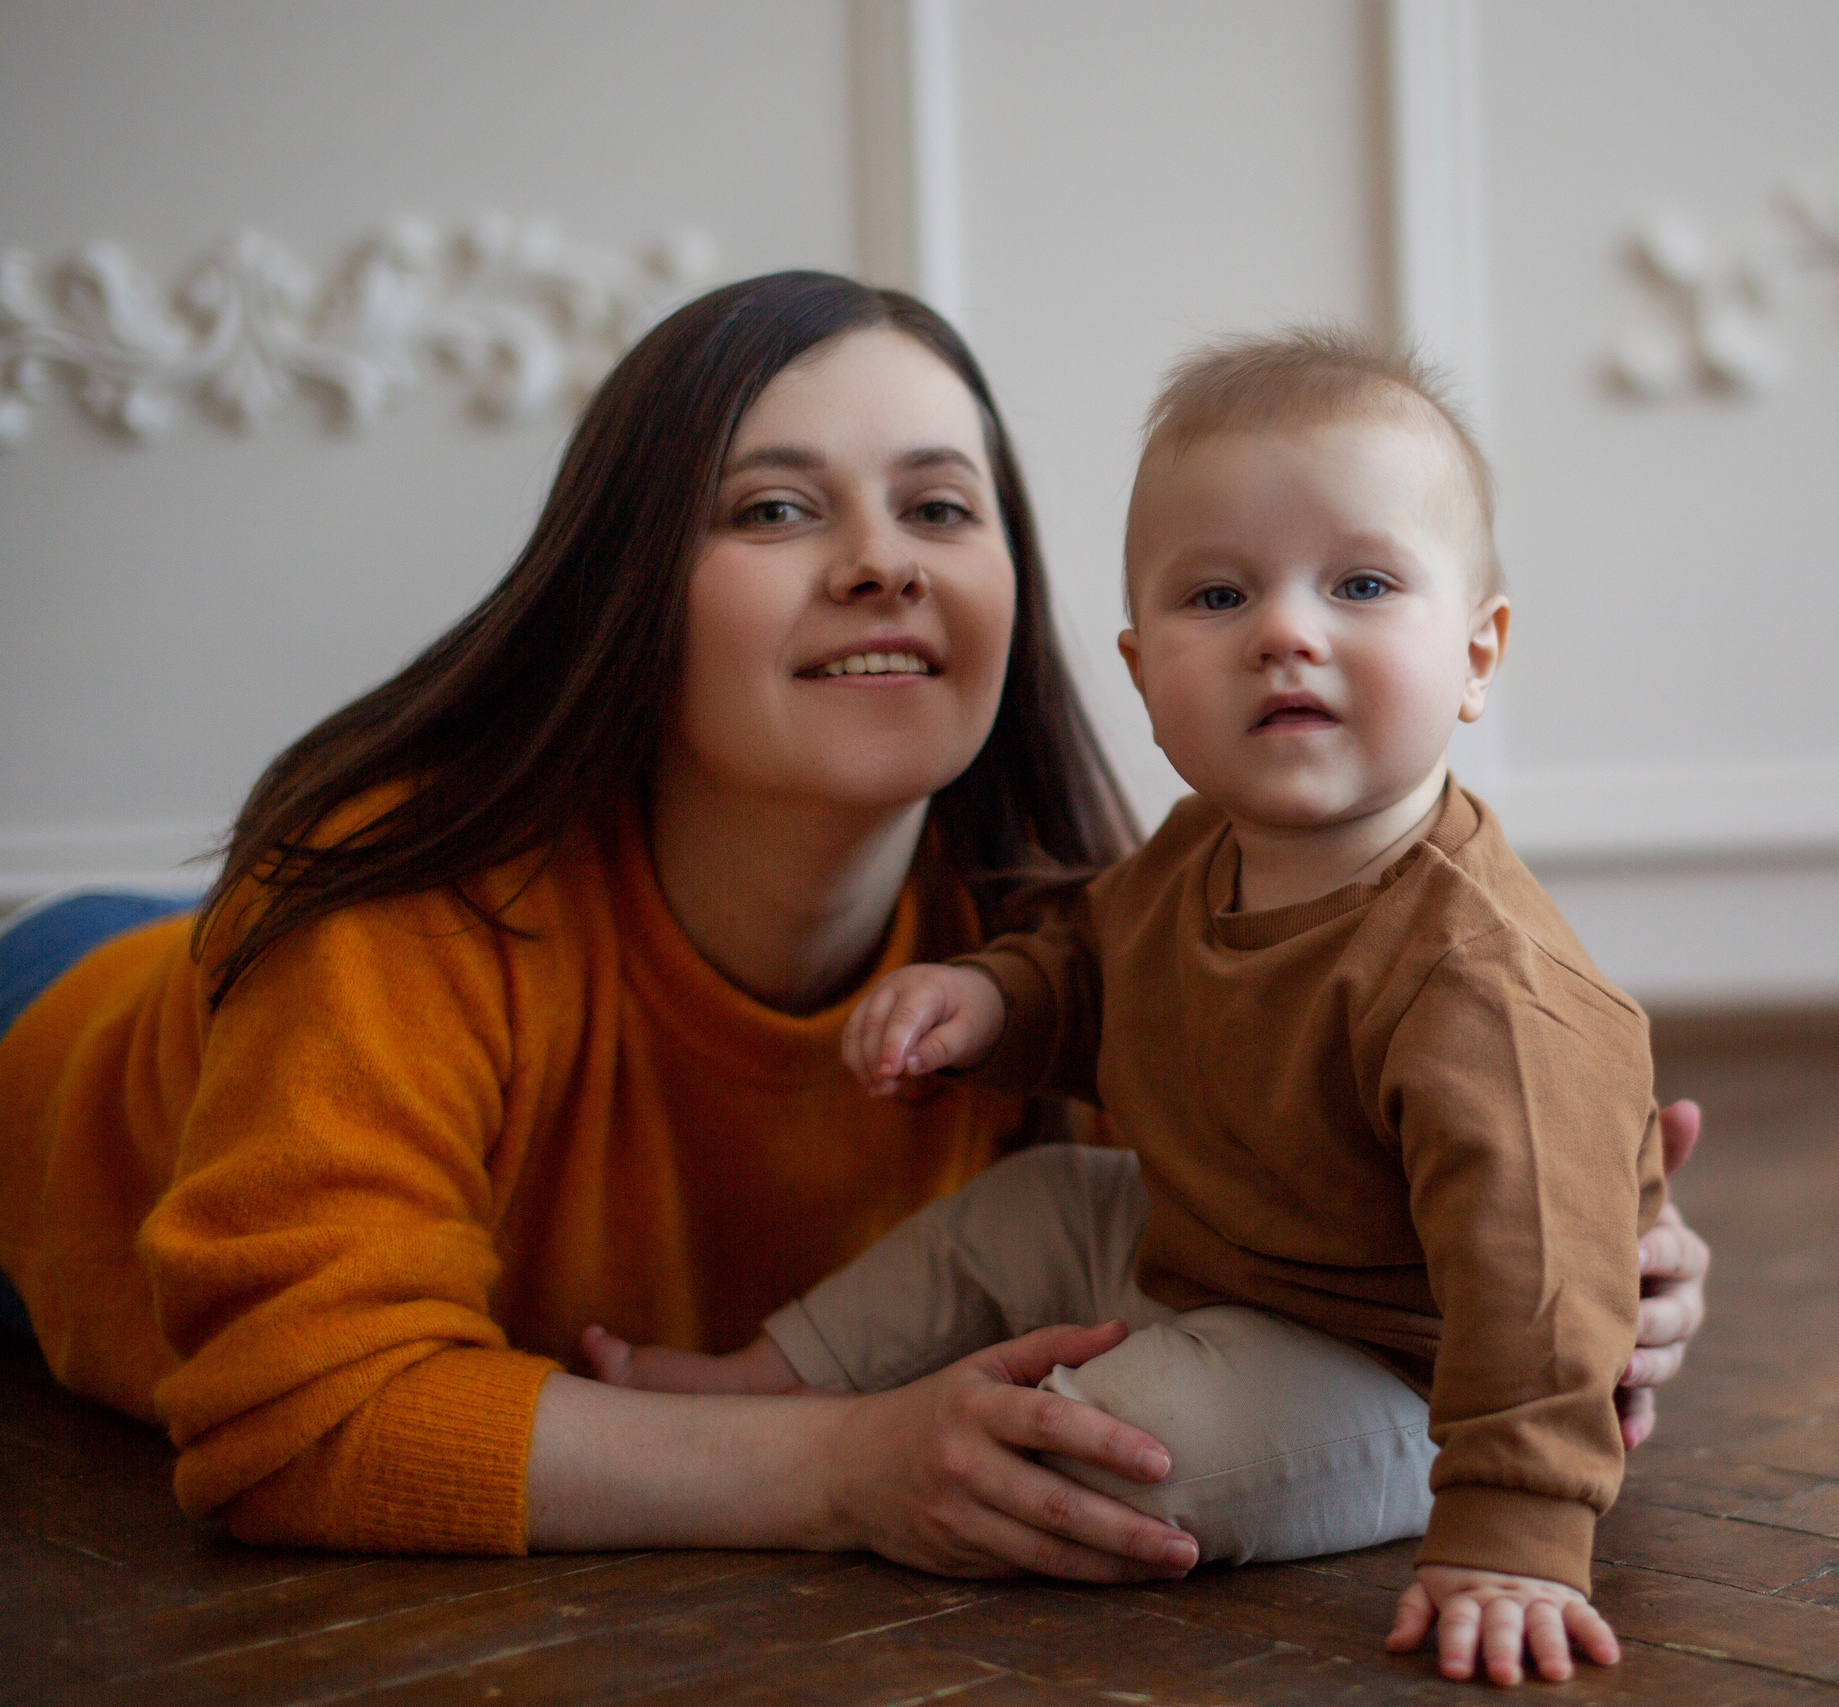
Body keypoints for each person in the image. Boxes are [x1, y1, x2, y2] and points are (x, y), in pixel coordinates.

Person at [0, 272, 1707, 1586]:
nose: (883, 563)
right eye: (775, 507)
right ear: (625, 588)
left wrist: (1571, 1265)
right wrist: (841, 1469)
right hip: (49, 1038)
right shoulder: (401, 913)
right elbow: (297, 1425)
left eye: (940, 508)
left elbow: (1309, 1187)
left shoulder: (1044, 906)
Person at [584, 329, 1659, 1686]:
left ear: (1476, 655)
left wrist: (1518, 1523)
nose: (1285, 631)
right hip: (1186, 1256)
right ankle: (761, 1389)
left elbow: (1546, 1286)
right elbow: (1096, 967)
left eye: (1364, 583)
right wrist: (988, 999)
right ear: (1144, 673)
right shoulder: (1193, 855)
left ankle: (1030, 1449)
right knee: (1030, 1206)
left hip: (1400, 1369)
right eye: (1219, 598)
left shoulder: (1481, 982)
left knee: (1127, 1450)